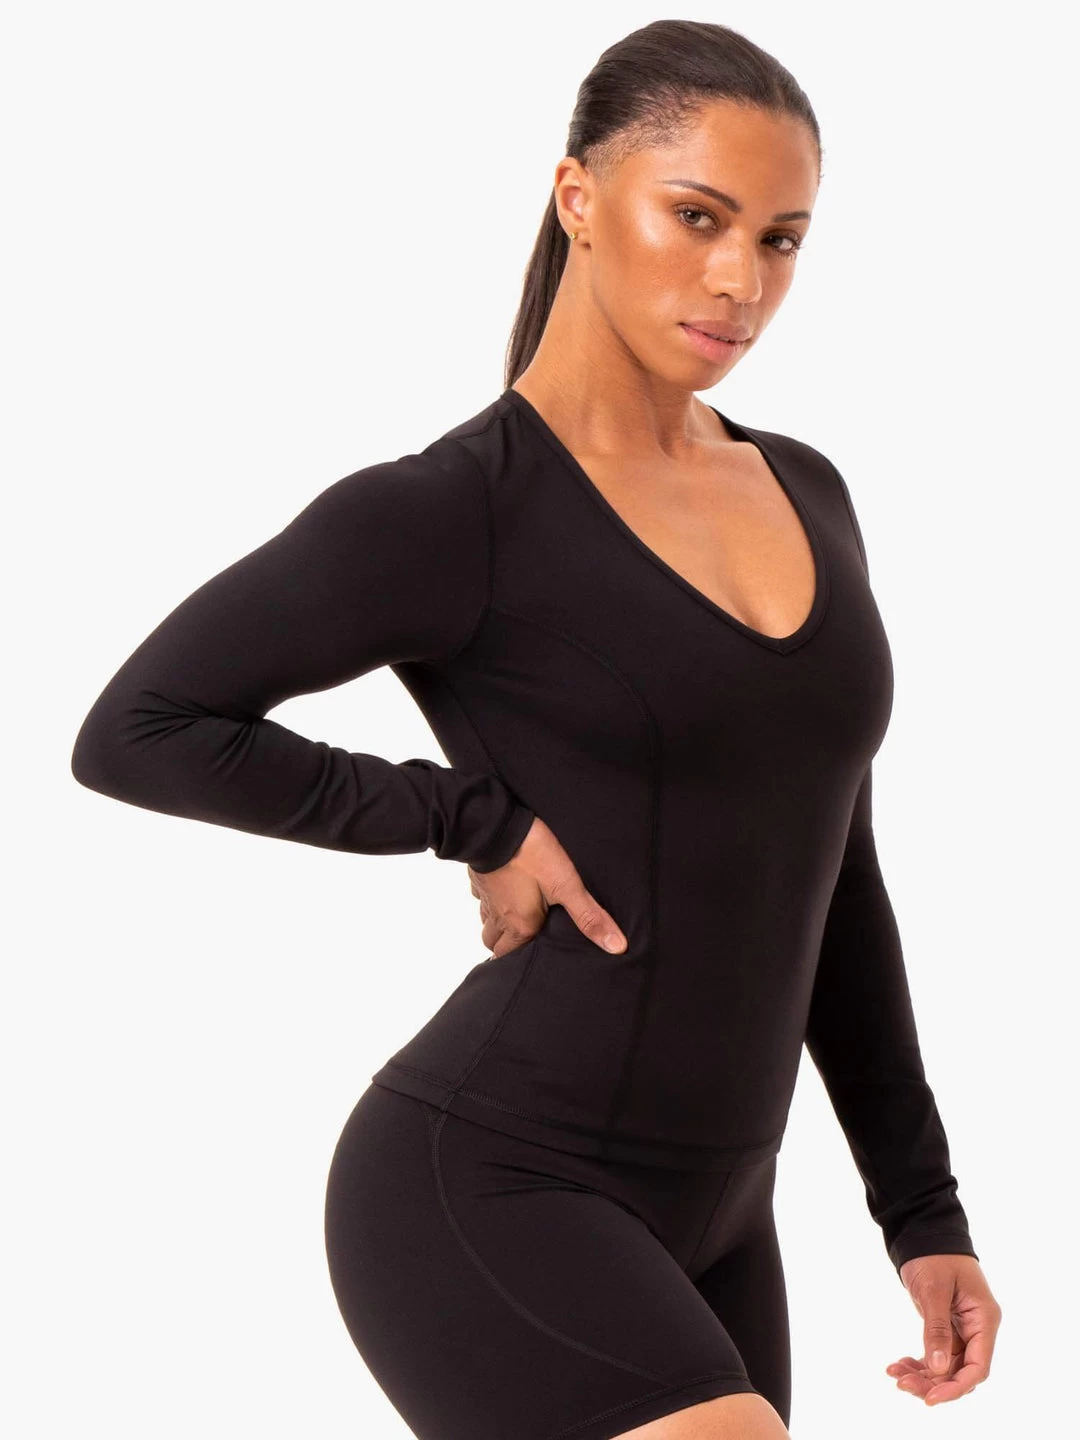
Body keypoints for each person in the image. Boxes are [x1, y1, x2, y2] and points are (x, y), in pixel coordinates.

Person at [69, 18, 1002, 1440]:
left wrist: (920, 1209)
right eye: (698, 217)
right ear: (579, 197)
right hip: (495, 1180)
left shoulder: (808, 491)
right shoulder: (456, 510)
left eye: (782, 240)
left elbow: (836, 874)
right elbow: (139, 728)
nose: (742, 280)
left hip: (724, 1216)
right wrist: (469, 817)